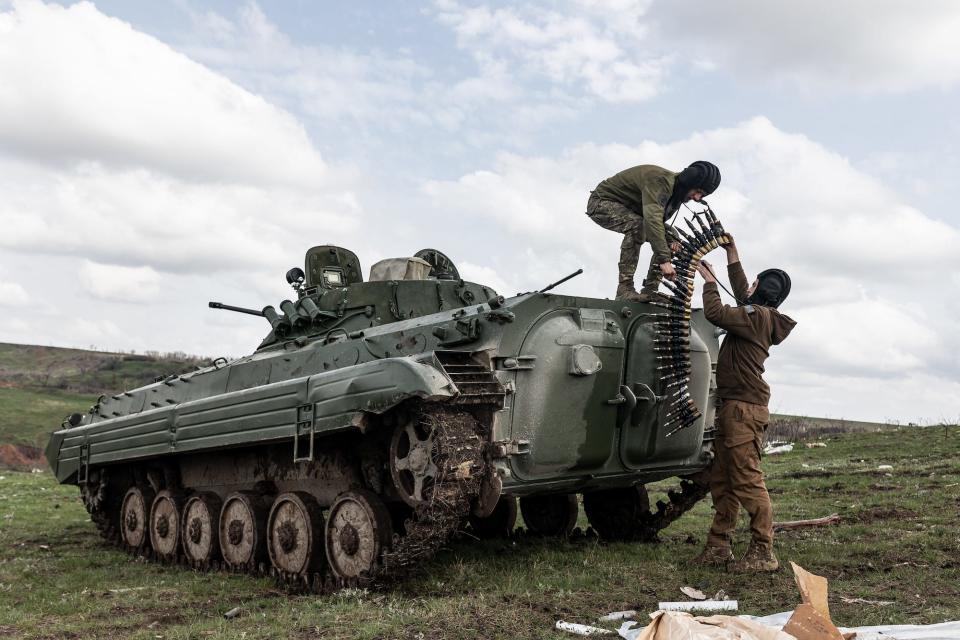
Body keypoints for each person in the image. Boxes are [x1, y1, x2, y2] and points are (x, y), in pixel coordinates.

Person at [692, 237, 796, 572]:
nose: (747, 285)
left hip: (743, 410)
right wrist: (730, 253)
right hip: (733, 407)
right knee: (723, 478)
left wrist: (708, 281)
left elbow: (716, 312)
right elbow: (743, 295)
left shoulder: (754, 317)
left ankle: (763, 550)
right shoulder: (758, 314)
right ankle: (719, 545)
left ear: (760, 290)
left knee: (747, 479)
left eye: (753, 283)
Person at [586, 161, 721, 302]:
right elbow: (653, 220)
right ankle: (624, 289)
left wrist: (672, 245)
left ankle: (650, 290)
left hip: (633, 211)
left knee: (672, 236)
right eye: (698, 191)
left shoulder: (676, 195)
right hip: (602, 202)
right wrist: (664, 259)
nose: (697, 198)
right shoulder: (660, 181)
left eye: (702, 196)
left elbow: (658, 225)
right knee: (637, 226)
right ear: (688, 182)